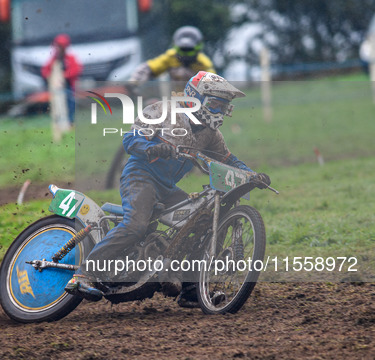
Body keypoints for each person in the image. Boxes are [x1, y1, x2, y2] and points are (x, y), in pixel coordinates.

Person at [65, 71, 271, 305]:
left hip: (167, 188)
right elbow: (130, 139)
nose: (218, 112)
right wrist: (151, 148)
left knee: (203, 221)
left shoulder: (211, 135)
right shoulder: (164, 111)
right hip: (140, 176)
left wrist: (252, 175)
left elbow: (228, 160)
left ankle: (191, 289)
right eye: (214, 104)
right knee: (135, 225)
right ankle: (84, 274)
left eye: (223, 107)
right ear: (195, 98)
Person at [130, 26, 216, 83]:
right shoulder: (170, 57)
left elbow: (214, 84)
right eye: (183, 49)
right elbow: (149, 68)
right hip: (174, 98)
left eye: (188, 49)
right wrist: (135, 83)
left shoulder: (204, 63)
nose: (186, 54)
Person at [41, 33, 83, 124]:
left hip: (69, 87)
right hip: (57, 88)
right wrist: (50, 77)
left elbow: (76, 69)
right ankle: (60, 123)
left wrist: (64, 76)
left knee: (71, 104)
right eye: (57, 46)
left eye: (61, 46)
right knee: (58, 106)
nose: (58, 48)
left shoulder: (70, 58)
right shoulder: (54, 59)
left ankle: (71, 122)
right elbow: (45, 70)